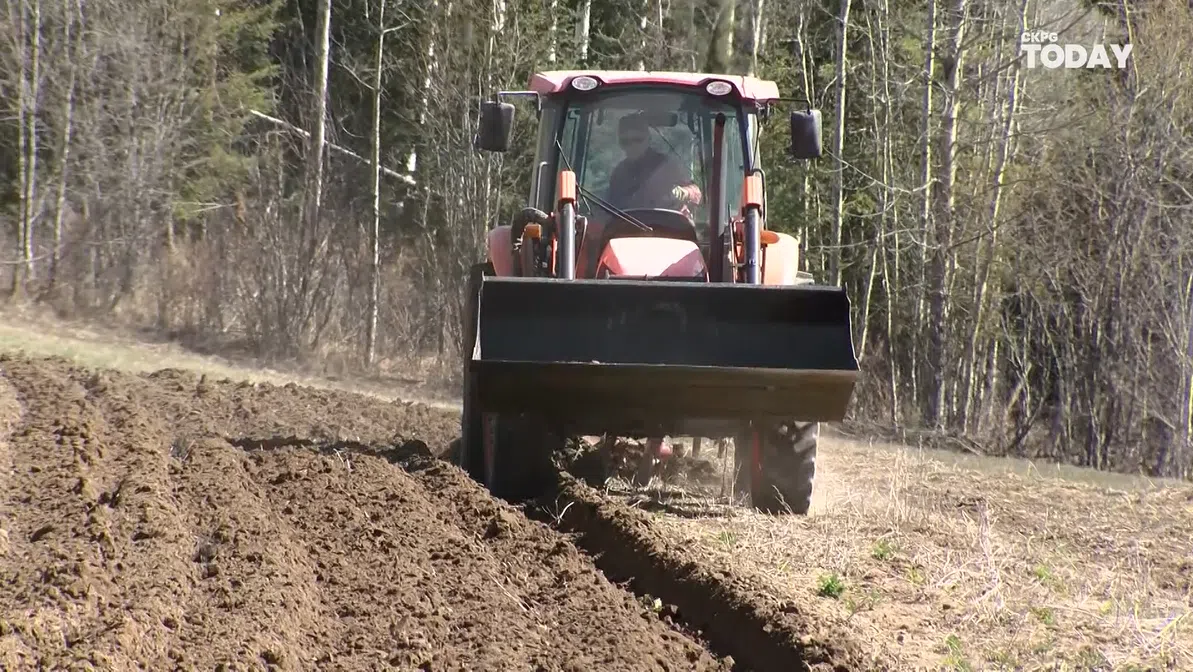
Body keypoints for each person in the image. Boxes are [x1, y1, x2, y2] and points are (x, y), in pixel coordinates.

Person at [603, 112, 702, 212]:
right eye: (625, 141)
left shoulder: (667, 166)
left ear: (648, 139)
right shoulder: (619, 174)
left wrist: (684, 193)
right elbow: (610, 210)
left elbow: (696, 193)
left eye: (637, 139)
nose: (632, 145)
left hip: (670, 225)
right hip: (630, 226)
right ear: (620, 144)